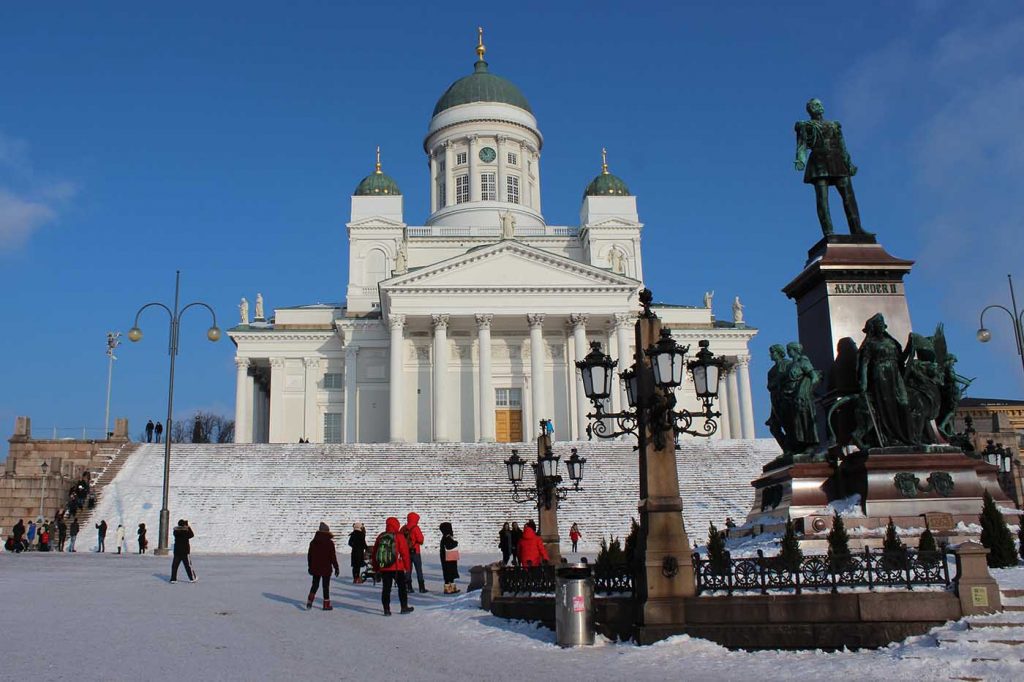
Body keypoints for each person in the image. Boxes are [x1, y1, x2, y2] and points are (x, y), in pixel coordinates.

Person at [371, 517, 413, 616]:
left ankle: (386, 609)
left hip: (384, 567)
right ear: (397, 525)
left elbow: (375, 553)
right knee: (402, 588)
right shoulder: (399, 536)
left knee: (386, 589)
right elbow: (405, 553)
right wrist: (407, 568)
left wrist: (376, 568)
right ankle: (404, 607)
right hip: (397, 567)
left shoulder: (381, 536)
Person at [306, 522, 340, 610]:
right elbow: (333, 557)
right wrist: (336, 567)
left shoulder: (313, 542)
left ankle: (310, 601)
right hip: (326, 568)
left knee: (315, 584)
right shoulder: (329, 543)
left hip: (315, 567)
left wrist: (310, 566)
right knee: (325, 586)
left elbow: (309, 556)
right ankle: (326, 604)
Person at [401, 512, 427, 593]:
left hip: (406, 552)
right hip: (415, 551)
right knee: (419, 569)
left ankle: (409, 587)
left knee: (408, 569)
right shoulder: (415, 528)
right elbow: (420, 539)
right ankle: (421, 588)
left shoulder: (403, 528)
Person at [170, 519, 196, 583]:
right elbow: (192, 535)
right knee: (188, 565)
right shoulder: (185, 532)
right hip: (185, 551)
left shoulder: (175, 531)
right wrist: (188, 527)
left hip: (177, 551)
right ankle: (192, 578)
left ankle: (173, 579)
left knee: (174, 566)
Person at [439, 521, 460, 594]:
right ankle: (448, 589)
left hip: (448, 557)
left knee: (450, 573)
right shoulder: (447, 537)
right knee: (449, 573)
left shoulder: (446, 536)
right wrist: (455, 543)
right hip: (448, 557)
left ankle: (452, 588)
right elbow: (449, 546)